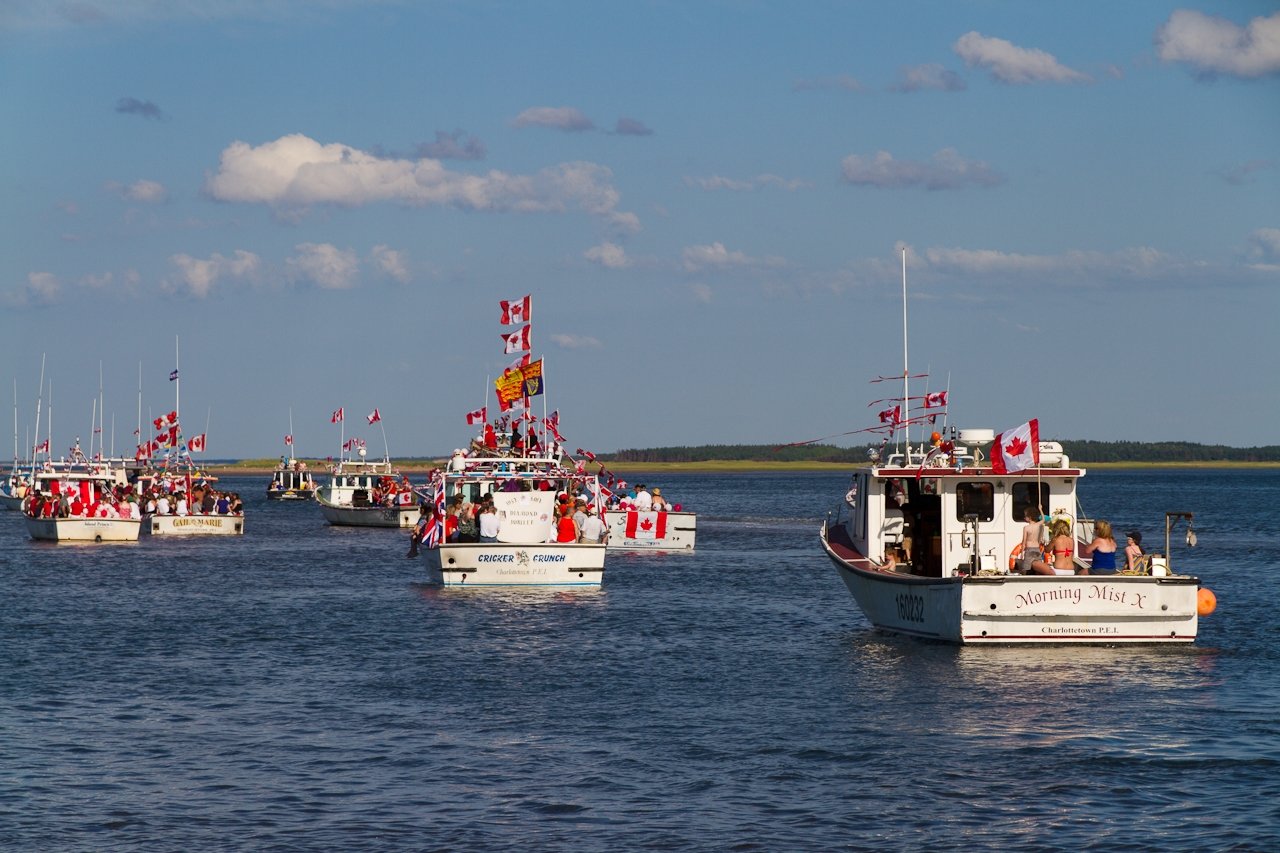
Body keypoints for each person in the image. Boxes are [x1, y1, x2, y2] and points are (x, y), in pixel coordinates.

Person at [1014, 506, 1045, 574]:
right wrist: (1040, 509)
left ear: (1030, 517)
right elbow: (1043, 519)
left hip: (1029, 549)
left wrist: (1022, 553)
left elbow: (1024, 541)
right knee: (1039, 568)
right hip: (1037, 549)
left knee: (1026, 568)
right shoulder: (1038, 525)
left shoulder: (1026, 528)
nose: (1024, 518)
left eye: (1026, 516)